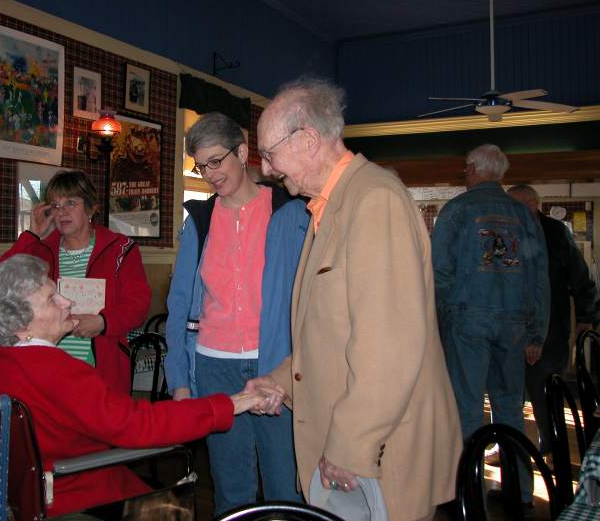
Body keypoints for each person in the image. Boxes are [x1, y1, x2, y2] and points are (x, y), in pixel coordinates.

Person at [249, 77, 461, 521]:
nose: (266, 169)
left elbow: (388, 346)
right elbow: (332, 333)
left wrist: (350, 446)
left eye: (269, 154)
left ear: (306, 140)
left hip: (381, 452)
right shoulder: (331, 205)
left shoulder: (373, 199)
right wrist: (280, 381)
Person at [0, 254, 272, 517]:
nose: (67, 301)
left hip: (23, 496)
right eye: (51, 299)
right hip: (78, 494)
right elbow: (140, 426)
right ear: (20, 325)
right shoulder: (53, 370)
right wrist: (231, 403)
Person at [164, 112, 309, 514]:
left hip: (276, 367)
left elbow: (312, 302)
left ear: (242, 152)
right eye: (200, 164)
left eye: (216, 161)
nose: (209, 173)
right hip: (214, 369)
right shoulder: (200, 221)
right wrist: (180, 380)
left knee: (286, 488)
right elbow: (178, 306)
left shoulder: (292, 213)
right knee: (231, 490)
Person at [431, 145, 549, 506]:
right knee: (511, 408)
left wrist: (446, 317)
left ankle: (469, 496)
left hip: (467, 321)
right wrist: (537, 333)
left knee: (466, 410)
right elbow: (538, 277)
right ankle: (521, 492)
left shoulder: (457, 211)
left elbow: (438, 273)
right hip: (515, 325)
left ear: (472, 170)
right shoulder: (524, 214)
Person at [1, 169, 150, 394]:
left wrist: (103, 322)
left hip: (101, 367)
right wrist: (32, 235)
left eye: (71, 203)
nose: (62, 213)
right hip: (49, 367)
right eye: (56, 206)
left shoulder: (120, 249)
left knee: (100, 428)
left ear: (90, 208)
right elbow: (1, 282)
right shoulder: (41, 250)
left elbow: (138, 304)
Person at [507, 183, 600, 457]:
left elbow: (581, 278)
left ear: (533, 205)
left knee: (544, 393)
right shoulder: (513, 232)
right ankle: (515, 448)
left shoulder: (555, 232)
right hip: (517, 330)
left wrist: (585, 317)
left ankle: (552, 449)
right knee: (514, 393)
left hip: (551, 332)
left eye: (515, 204)